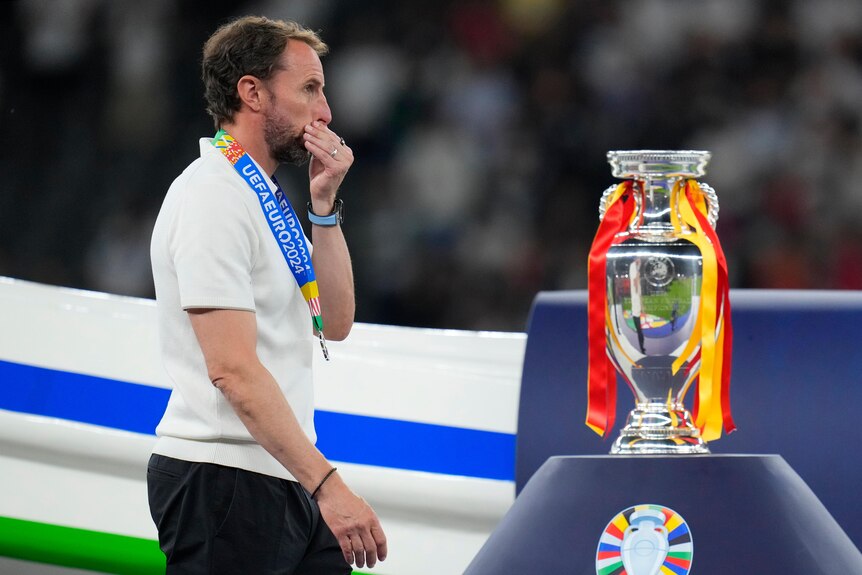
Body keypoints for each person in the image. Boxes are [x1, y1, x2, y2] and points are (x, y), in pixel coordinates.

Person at [147, 16, 386, 574]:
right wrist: (328, 485)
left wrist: (324, 207)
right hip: (224, 477)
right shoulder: (213, 194)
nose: (326, 111)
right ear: (252, 93)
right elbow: (232, 369)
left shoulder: (264, 198)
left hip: (283, 473)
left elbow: (338, 319)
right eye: (309, 89)